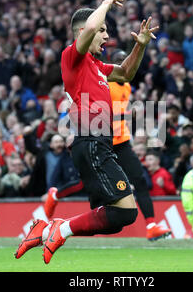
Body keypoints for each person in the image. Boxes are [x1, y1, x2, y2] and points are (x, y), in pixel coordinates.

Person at [15, 0, 159, 264]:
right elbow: (92, 26)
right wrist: (104, 3)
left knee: (119, 217)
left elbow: (126, 73)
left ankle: (47, 229)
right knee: (126, 210)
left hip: (99, 144)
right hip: (91, 141)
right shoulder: (72, 58)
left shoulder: (96, 66)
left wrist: (139, 46)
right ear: (83, 33)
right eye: (103, 31)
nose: (106, 37)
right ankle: (59, 229)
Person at [43, 50, 172, 241]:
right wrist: (128, 116)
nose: (123, 63)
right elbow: (100, 113)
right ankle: (56, 194)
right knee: (84, 183)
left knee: (139, 179)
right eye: (119, 61)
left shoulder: (127, 86)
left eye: (125, 60)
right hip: (101, 139)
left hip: (122, 140)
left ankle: (151, 225)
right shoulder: (105, 83)